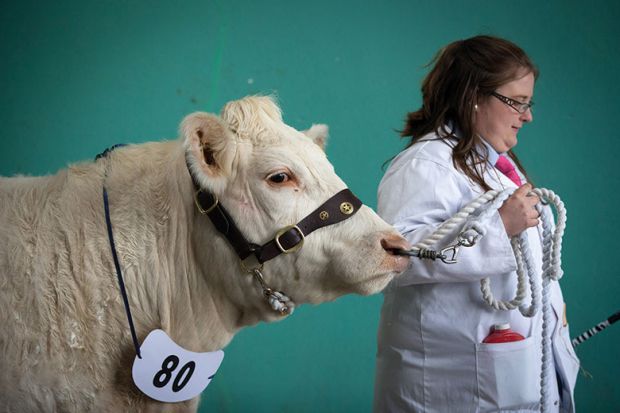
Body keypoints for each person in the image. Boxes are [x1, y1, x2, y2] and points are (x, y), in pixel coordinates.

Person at [373, 35, 580, 413]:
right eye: (516, 102)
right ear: (472, 97)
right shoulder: (425, 164)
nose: (527, 115)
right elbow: (393, 260)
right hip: (452, 386)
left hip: (514, 371)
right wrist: (501, 227)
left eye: (528, 103)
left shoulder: (500, 166)